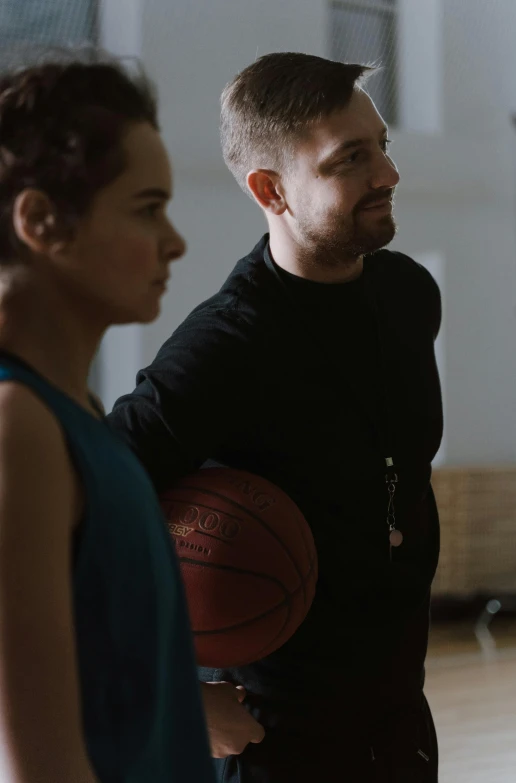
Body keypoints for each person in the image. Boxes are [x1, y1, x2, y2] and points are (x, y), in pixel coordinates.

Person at [108, 52, 442, 782]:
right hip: (275, 745)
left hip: (401, 721)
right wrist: (178, 696)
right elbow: (63, 514)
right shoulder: (226, 346)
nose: (387, 174)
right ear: (271, 188)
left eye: (381, 144)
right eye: (351, 158)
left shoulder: (410, 295)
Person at [0, 56, 215, 783]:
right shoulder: (16, 427)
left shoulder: (75, 414)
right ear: (41, 222)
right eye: (147, 208)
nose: (175, 241)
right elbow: (41, 768)